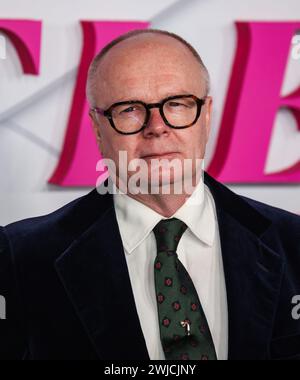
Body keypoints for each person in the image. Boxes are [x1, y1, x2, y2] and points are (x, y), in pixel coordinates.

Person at [0, 29, 300, 360]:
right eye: (129, 109)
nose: (157, 126)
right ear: (98, 129)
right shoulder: (17, 258)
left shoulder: (293, 242)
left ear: (207, 115)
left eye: (177, 104)